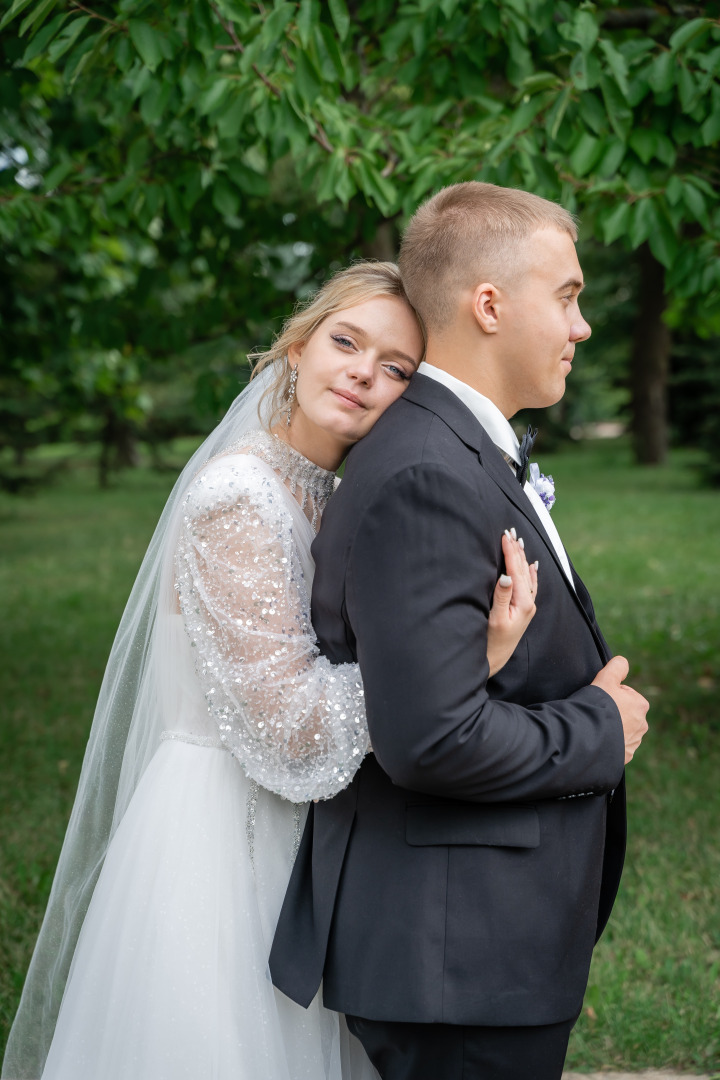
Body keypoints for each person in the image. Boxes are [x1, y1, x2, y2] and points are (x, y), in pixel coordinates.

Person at [2, 262, 538, 1080]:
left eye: (395, 367)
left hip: (311, 831)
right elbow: (288, 726)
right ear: (297, 348)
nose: (363, 371)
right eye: (345, 341)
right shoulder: (239, 499)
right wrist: (458, 663)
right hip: (227, 835)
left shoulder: (327, 492)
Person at [269, 185, 651, 1080]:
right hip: (457, 957)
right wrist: (602, 727)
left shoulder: (455, 447)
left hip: (477, 946)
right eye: (568, 295)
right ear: (490, 304)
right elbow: (432, 739)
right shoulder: (425, 474)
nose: (583, 324)